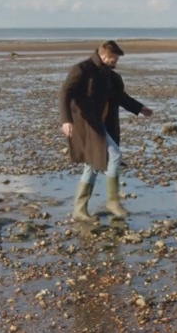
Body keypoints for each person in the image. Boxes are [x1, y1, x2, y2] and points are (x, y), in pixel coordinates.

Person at [59, 40, 153, 221]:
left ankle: (81, 209)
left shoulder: (110, 75)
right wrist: (66, 121)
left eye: (116, 59)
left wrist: (140, 108)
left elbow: (120, 97)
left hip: (102, 124)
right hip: (85, 124)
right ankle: (110, 201)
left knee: (93, 164)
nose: (115, 62)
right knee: (114, 154)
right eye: (113, 59)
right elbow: (65, 92)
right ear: (104, 56)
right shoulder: (82, 69)